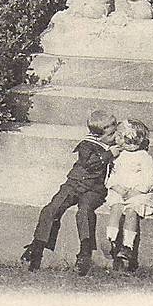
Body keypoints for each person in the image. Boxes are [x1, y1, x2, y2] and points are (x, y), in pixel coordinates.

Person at [21, 111, 119, 276]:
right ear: (98, 134)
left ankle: (85, 253)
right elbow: (89, 163)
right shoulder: (87, 145)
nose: (115, 135)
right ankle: (36, 248)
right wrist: (109, 155)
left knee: (85, 211)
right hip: (74, 184)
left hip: (94, 189)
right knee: (52, 209)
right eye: (111, 133)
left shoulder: (115, 145)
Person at [104, 119, 153, 272]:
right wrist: (116, 187)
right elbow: (111, 175)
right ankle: (111, 240)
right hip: (120, 191)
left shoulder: (144, 157)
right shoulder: (118, 154)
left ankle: (127, 246)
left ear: (132, 141)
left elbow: (150, 179)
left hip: (137, 193)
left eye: (120, 136)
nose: (116, 139)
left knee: (131, 212)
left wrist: (138, 190)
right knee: (116, 208)